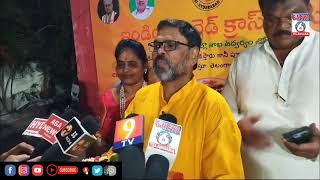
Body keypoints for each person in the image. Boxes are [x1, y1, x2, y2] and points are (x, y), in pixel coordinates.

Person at [126, 19, 244, 179]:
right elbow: (120, 152)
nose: (160, 51)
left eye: (170, 45)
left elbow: (226, 175)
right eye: (157, 45)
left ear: (193, 54)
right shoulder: (141, 97)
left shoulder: (213, 106)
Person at [222, 0, 320, 179]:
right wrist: (238, 127)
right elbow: (224, 113)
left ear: (309, 10)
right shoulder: (244, 61)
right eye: (271, 19)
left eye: (292, 16)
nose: (282, 26)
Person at [99, 39, 148, 147]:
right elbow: (102, 139)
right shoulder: (108, 98)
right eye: (121, 65)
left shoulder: (154, 96)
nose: (126, 70)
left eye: (132, 65)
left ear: (145, 66)